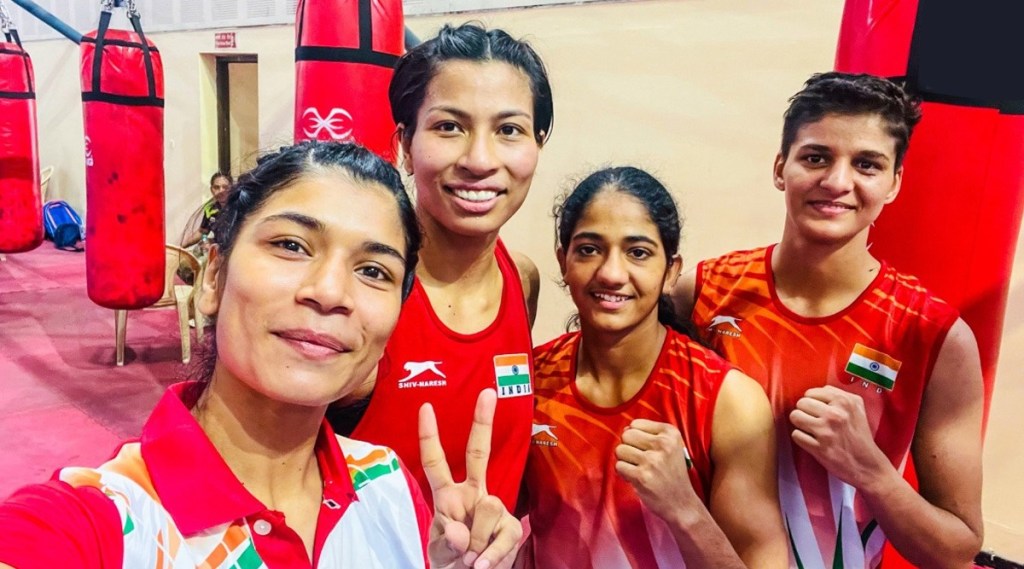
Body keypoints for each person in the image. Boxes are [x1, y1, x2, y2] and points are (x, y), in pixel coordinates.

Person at [0, 141, 522, 569]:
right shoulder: (101, 521)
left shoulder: (387, 484)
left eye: (373, 271)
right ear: (213, 276)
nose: (330, 292)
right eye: (291, 245)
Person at [671, 72, 985, 568]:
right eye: (816, 157)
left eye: (867, 164)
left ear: (894, 183)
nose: (838, 182)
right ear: (781, 168)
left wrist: (870, 471)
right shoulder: (703, 292)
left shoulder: (931, 334)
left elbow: (957, 548)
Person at [334, 22, 553, 514]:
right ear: (405, 146)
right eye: (449, 127)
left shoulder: (522, 280)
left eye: (509, 130)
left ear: (537, 145)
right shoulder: (359, 301)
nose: (480, 160)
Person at [522, 167, 787, 568]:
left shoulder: (728, 401)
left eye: (638, 252)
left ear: (671, 272)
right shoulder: (533, 380)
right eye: (589, 249)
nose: (611, 273)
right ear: (563, 261)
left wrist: (685, 509)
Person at [183, 171, 233, 252]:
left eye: (225, 187)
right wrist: (205, 240)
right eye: (216, 187)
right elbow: (202, 233)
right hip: (219, 251)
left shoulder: (239, 206)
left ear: (232, 188)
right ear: (211, 190)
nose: (221, 191)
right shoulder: (210, 209)